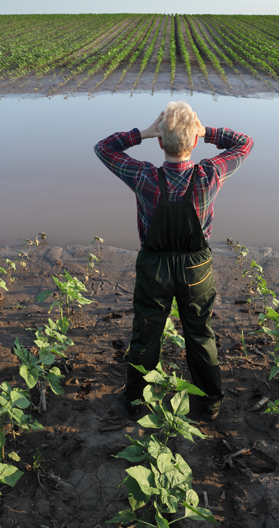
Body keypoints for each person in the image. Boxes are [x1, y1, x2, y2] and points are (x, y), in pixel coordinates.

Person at [94, 101, 253, 420]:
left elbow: (104, 148)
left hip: (154, 267)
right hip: (196, 268)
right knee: (200, 333)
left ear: (159, 141)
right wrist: (207, 131)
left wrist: (141, 132)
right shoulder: (209, 175)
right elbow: (244, 143)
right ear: (194, 141)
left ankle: (137, 404)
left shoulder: (144, 176)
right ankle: (209, 404)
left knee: (146, 334)